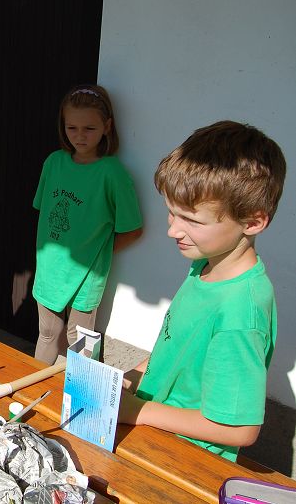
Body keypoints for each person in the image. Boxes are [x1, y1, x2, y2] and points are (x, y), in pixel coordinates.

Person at [118, 121, 287, 462]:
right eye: (172, 213)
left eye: (192, 221)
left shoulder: (241, 313)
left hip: (185, 459)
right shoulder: (206, 265)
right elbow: (175, 349)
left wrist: (136, 411)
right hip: (154, 437)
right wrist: (128, 378)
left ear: (253, 222)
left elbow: (239, 429)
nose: (173, 230)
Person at [32, 85, 143, 364]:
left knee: (81, 339)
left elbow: (133, 229)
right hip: (50, 269)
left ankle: (85, 391)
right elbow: (44, 212)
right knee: (47, 332)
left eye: (89, 129)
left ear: (107, 127)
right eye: (72, 128)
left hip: (87, 276)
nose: (79, 136)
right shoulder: (54, 163)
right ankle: (31, 387)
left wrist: (97, 253)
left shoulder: (113, 173)